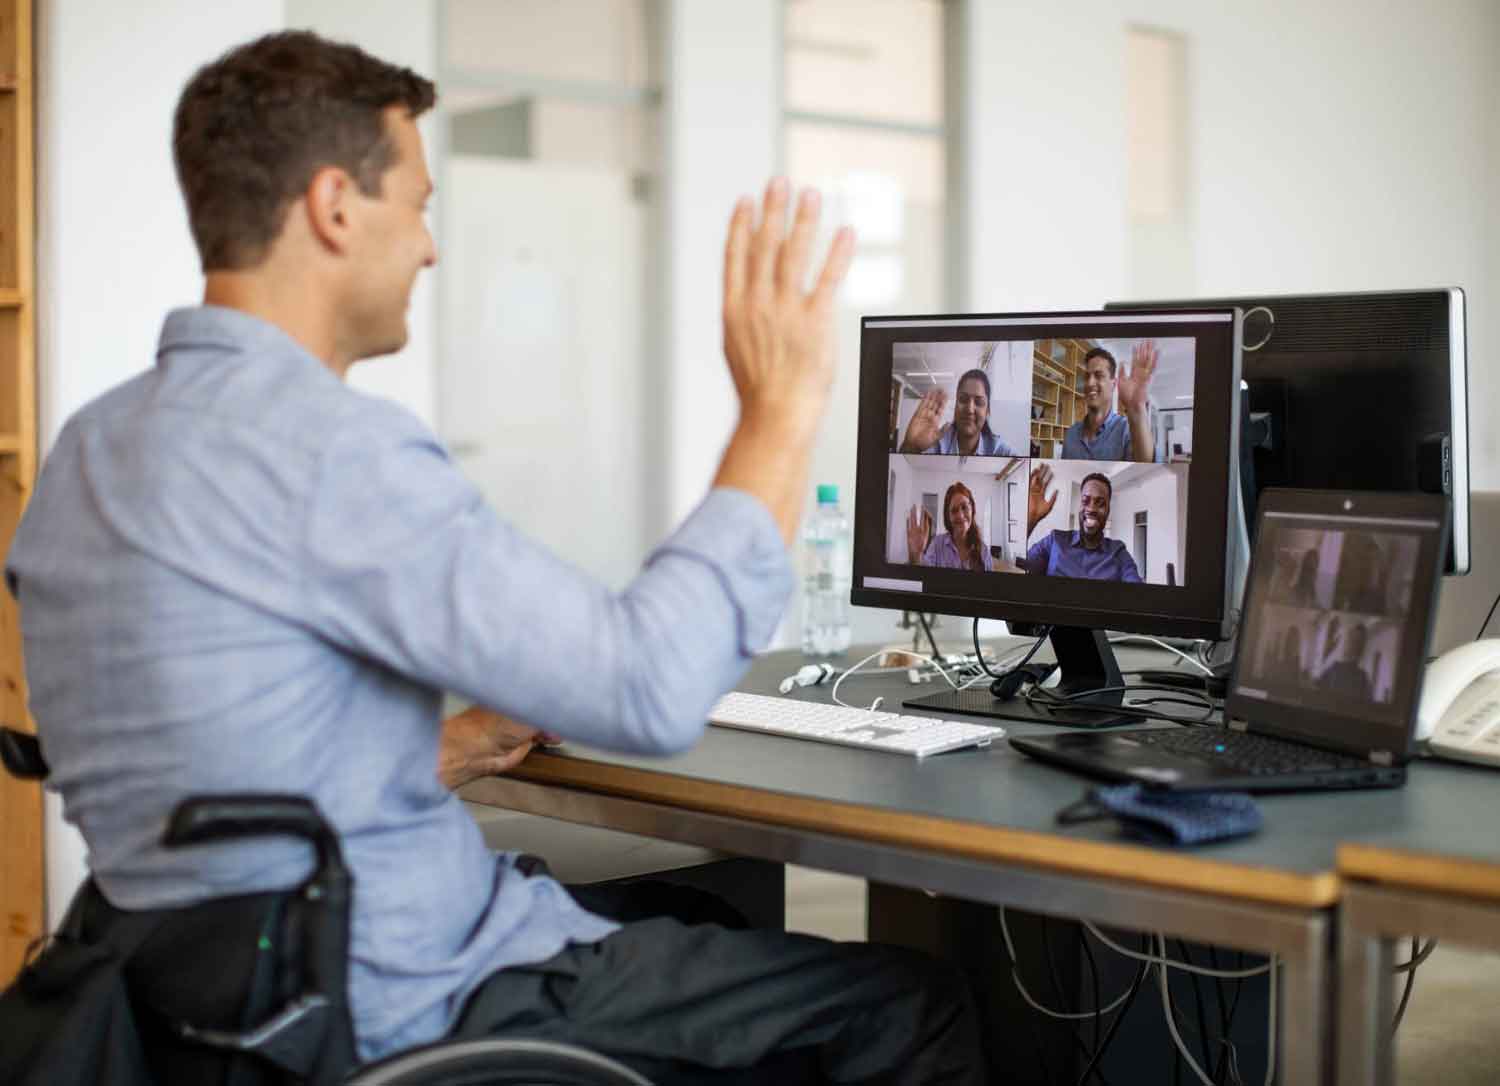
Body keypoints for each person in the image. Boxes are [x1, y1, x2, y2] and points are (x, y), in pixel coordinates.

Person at [4, 31, 982, 1084]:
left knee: (703, 906)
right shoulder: (331, 452)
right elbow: (648, 687)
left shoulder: (91, 450)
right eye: (419, 204)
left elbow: (202, 775)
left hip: (220, 1001)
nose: (429, 246)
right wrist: (780, 413)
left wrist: (448, 746)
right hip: (400, 992)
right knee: (907, 1007)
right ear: (337, 206)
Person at [1020, 464, 1143, 583]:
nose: (1091, 509)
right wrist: (1031, 518)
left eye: (1100, 503)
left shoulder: (1118, 552)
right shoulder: (1054, 541)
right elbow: (1019, 569)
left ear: (1108, 510)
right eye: (1085, 501)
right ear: (1079, 505)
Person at [1060, 343, 1157, 463]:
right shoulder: (1071, 434)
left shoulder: (1126, 430)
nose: (1090, 383)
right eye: (1086, 376)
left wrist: (1136, 409)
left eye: (1098, 375)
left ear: (1113, 384)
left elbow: (1144, 465)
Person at [898, 368, 1016, 456]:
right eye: (963, 399)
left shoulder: (1002, 451)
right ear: (955, 407)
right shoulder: (936, 444)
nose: (969, 409)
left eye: (979, 402)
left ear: (988, 411)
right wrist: (911, 446)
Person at [905, 481, 993, 571]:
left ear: (972, 509)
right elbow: (923, 576)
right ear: (948, 517)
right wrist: (915, 556)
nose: (960, 515)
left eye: (964, 507)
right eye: (954, 510)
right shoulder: (937, 544)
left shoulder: (984, 552)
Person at [1319, 623, 1374, 700]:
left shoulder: (1363, 679)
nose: (1355, 646)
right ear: (1348, 641)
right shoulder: (1334, 668)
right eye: (1353, 640)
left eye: (1359, 642)